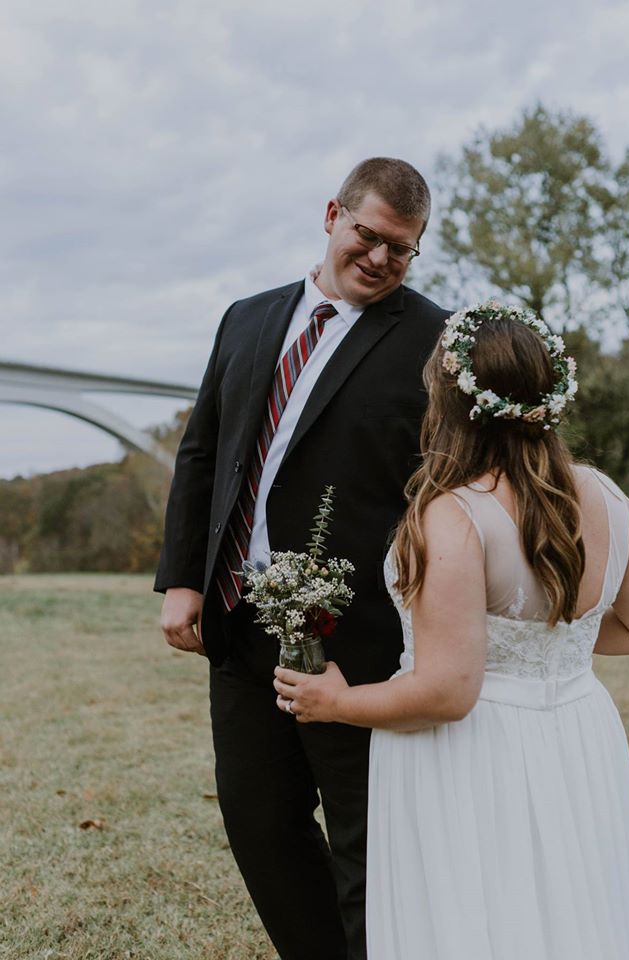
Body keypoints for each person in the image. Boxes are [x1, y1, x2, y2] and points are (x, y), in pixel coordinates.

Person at [274, 301, 629, 960]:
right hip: (579, 738)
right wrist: (552, 647)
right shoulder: (610, 499)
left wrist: (333, 702)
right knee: (569, 916)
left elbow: (448, 691)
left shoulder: (454, 514)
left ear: (449, 399)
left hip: (472, 757)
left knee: (477, 924)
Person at [154, 157, 450, 960]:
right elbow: (202, 453)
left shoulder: (434, 340)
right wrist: (182, 578)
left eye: (403, 248)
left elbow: (447, 488)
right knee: (259, 823)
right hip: (238, 622)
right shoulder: (246, 319)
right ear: (332, 215)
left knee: (367, 838)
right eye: (369, 234)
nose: (382, 258)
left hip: (361, 644)